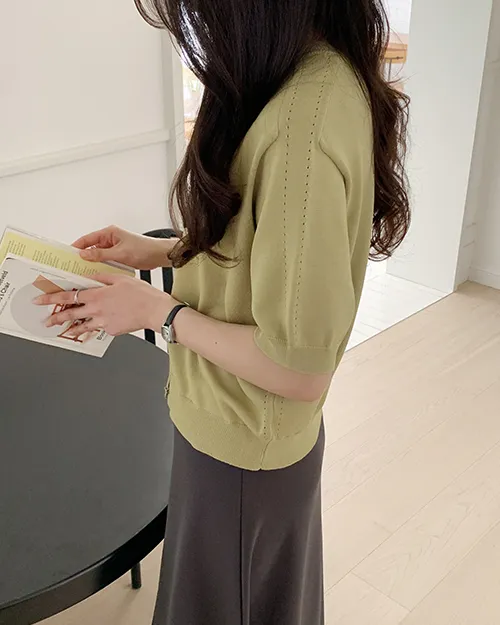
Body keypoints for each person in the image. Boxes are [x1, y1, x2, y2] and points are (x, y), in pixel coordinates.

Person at [35, 0, 410, 622]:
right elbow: (260, 248)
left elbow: (297, 369)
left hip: (241, 448)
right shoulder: (312, 74)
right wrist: (158, 250)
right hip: (245, 436)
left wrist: (159, 313)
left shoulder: (300, 127)